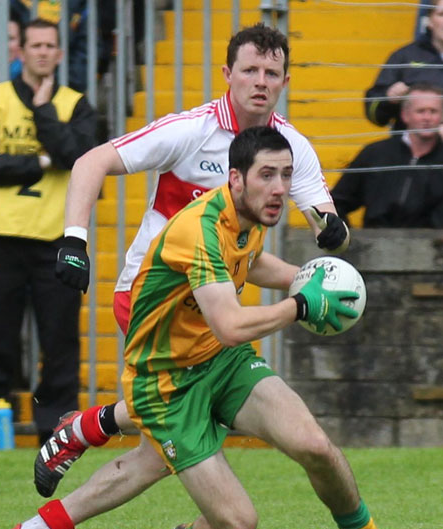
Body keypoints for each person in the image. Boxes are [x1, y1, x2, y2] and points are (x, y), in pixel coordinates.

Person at [3, 127, 433, 529]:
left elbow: (249, 262)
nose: (279, 188)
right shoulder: (201, 229)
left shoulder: (247, 219)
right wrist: (302, 304)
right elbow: (229, 324)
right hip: (167, 381)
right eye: (266, 175)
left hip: (219, 361)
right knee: (235, 525)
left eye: (286, 176)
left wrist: (308, 279)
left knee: (315, 446)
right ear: (234, 179)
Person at [32, 22, 351, 500]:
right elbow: (89, 162)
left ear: (285, 81)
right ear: (228, 73)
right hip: (148, 294)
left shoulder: (290, 149)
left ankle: (77, 441)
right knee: (186, 416)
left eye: (271, 72)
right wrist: (74, 241)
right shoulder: (191, 130)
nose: (260, 81)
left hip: (213, 304)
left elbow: (325, 223)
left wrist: (332, 235)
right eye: (250, 70)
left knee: (183, 416)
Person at [0, 18, 97, 444]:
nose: (41, 51)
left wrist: (41, 113)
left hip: (57, 239)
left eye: (49, 45)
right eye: (34, 44)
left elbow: (79, 157)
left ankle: (52, 429)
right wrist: (37, 162)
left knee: (60, 342)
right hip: (3, 236)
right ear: (21, 51)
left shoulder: (76, 104)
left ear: (58, 53)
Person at [332, 83, 443, 228]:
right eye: (420, 111)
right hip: (376, 245)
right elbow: (337, 203)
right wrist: (348, 242)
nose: (427, 118)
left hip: (434, 248)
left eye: (433, 111)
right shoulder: (376, 153)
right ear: (405, 115)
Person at [365, 0, 443, 131]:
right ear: (429, 20)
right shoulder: (404, 57)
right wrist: (388, 98)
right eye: (442, 14)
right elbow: (374, 115)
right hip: (412, 148)